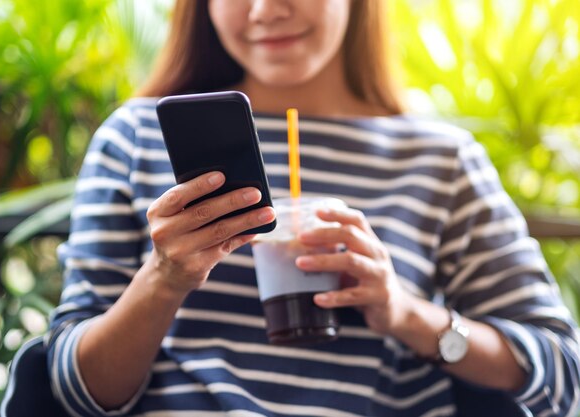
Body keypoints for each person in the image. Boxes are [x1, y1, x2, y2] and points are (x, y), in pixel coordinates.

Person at [47, 1, 580, 416]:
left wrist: (404, 314)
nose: (265, 11)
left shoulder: (442, 161)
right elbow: (74, 391)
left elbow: (561, 369)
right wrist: (164, 278)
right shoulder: (139, 137)